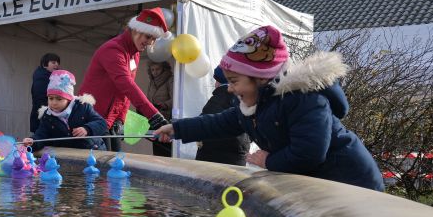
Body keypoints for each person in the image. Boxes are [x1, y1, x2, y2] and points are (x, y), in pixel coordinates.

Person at [154, 25, 384, 191]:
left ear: (260, 79)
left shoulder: (304, 100)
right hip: (322, 183)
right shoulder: (252, 104)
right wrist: (176, 129)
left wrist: (267, 161)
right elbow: (218, 123)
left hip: (353, 182)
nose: (230, 89)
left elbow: (309, 153)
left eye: (234, 81)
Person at [77, 8, 172, 151]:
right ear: (135, 29)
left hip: (108, 120)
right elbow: (127, 85)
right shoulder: (113, 50)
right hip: (91, 118)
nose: (150, 42)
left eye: (153, 39)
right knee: (98, 167)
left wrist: (120, 119)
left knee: (115, 165)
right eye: (148, 36)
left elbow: (127, 90)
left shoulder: (134, 54)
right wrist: (154, 116)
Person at [23, 69, 107, 152]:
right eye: (50, 98)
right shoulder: (47, 116)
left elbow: (102, 123)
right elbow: (41, 134)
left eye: (59, 99)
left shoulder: (82, 107)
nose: (54, 103)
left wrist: (87, 129)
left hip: (92, 152)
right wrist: (33, 141)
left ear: (69, 99)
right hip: (67, 155)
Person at [194, 67, 251, 166]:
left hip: (213, 158)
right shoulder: (245, 100)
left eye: (216, 81)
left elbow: (205, 123)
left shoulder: (218, 99)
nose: (215, 84)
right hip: (238, 156)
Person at [145, 59, 174, 157]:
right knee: (157, 151)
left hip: (166, 120)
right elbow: (148, 98)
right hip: (154, 120)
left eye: (157, 69)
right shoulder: (151, 82)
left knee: (166, 151)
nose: (155, 72)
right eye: (152, 70)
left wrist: (164, 105)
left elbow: (176, 98)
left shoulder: (170, 80)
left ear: (164, 69)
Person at [30, 53, 61, 132]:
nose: (57, 65)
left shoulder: (49, 76)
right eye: (53, 62)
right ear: (45, 64)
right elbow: (40, 98)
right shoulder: (42, 77)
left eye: (58, 63)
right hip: (42, 116)